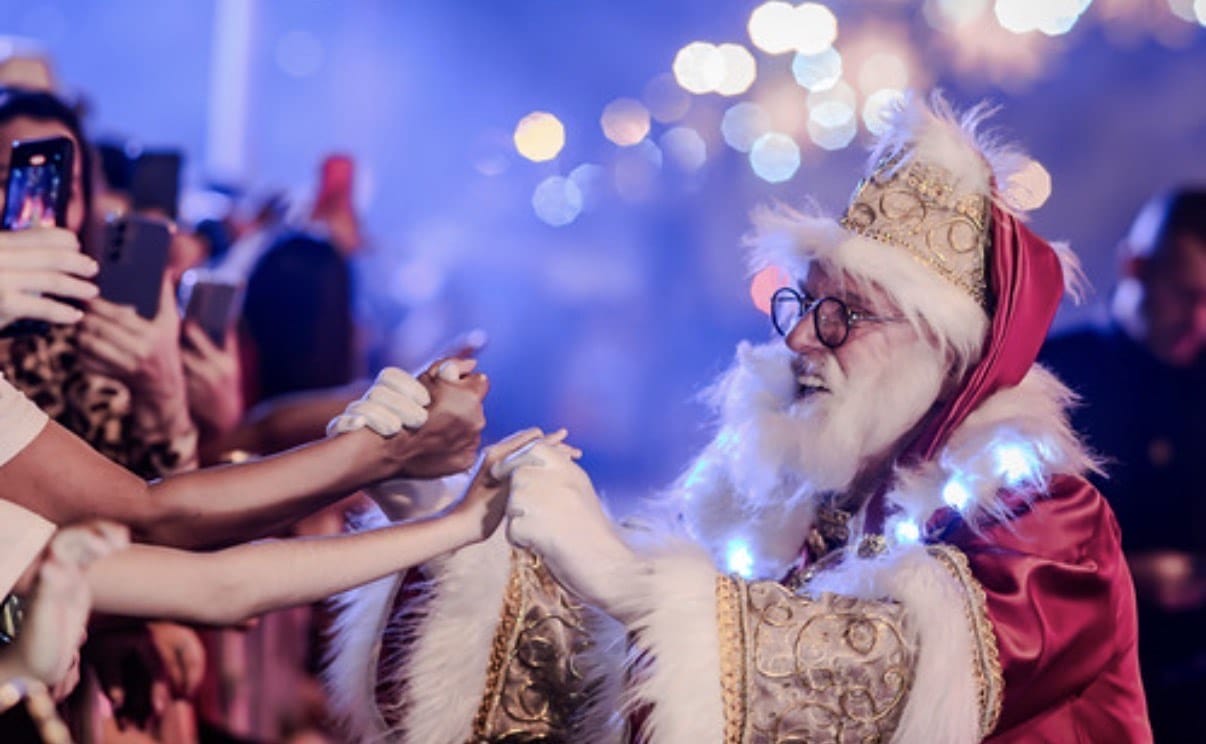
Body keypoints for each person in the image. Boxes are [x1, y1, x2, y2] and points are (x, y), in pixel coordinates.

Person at [325, 94, 1151, 742]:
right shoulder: (793, 494)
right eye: (806, 300)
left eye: (847, 313)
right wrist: (436, 517)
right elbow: (601, 680)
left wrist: (624, 573)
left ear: (948, 356)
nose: (799, 336)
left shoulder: (1046, 527)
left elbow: (865, 686)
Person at [1040, 188, 1206, 740]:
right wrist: (1125, 579)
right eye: (1188, 297)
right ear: (1136, 268)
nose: (1201, 323)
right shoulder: (1056, 381)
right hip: (1082, 699)